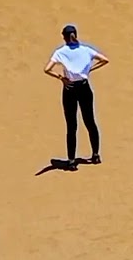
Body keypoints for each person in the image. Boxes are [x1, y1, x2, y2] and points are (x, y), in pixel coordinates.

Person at [43, 24, 110, 170]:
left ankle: (72, 161)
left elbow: (47, 69)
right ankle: (96, 155)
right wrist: (88, 70)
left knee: (72, 125)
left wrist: (61, 77)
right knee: (90, 121)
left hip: (70, 89)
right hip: (84, 87)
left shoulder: (60, 52)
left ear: (64, 37)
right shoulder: (86, 50)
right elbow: (104, 60)